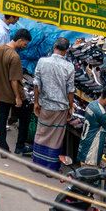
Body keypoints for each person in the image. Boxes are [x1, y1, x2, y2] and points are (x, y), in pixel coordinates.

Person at [32, 37, 75, 171]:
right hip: (60, 107)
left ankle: (37, 164)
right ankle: (51, 168)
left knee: (41, 133)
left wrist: (36, 102)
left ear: (54, 46)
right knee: (56, 137)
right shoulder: (69, 66)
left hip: (45, 104)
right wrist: (70, 107)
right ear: (66, 51)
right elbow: (71, 90)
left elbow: (36, 84)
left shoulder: (42, 61)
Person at [0, 28, 32, 154]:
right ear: (19, 40)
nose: (24, 46)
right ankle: (20, 146)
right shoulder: (14, 57)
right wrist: (18, 97)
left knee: (1, 119)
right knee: (25, 117)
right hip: (11, 94)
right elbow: (14, 80)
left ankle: (3, 147)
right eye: (24, 44)